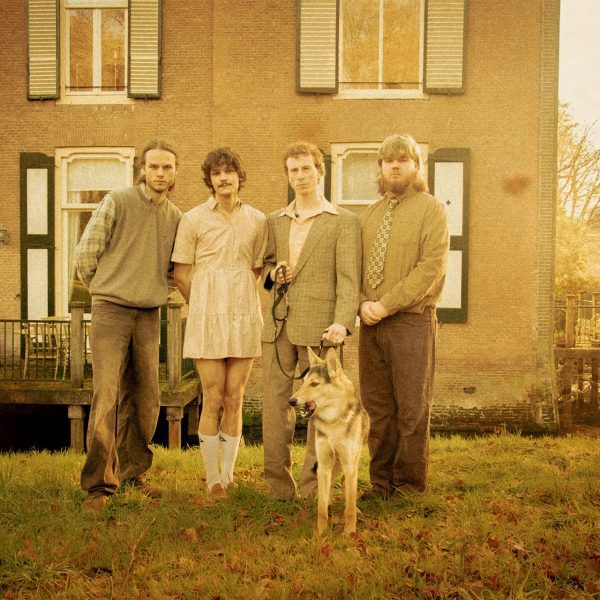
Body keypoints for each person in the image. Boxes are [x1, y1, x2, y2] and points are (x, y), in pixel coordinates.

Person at [76, 139, 182, 511]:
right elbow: (85, 254)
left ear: (175, 173)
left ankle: (133, 472)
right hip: (110, 311)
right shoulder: (117, 201)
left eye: (167, 167)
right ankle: (99, 486)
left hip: (149, 315)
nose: (160, 173)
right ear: (142, 169)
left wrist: (151, 289)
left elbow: (173, 271)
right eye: (154, 166)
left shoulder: (175, 217)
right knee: (106, 395)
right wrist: (107, 288)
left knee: (146, 397)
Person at [261, 141, 361, 500]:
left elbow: (348, 279)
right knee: (275, 408)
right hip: (278, 327)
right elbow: (265, 268)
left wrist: (342, 324)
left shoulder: (344, 221)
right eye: (294, 170)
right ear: (287, 176)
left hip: (321, 330)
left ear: (320, 172)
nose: (300, 176)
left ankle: (313, 487)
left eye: (306, 168)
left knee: (322, 409)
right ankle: (277, 487)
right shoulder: (275, 220)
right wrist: (274, 274)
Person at [358, 133, 449, 499]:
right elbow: (355, 267)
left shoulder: (431, 209)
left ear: (416, 166)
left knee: (412, 408)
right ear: (381, 168)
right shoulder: (369, 215)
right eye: (388, 160)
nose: (394, 166)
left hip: (411, 322)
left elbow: (431, 269)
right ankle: (380, 484)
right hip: (371, 325)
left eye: (402, 160)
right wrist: (362, 304)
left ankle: (408, 485)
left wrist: (385, 304)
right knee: (378, 409)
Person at [172, 148, 266, 497]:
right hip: (206, 315)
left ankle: (228, 474)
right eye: (216, 173)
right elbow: (181, 274)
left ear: (239, 176)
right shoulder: (193, 219)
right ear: (209, 180)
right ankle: (212, 478)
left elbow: (257, 269)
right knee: (212, 397)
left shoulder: (258, 220)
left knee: (235, 396)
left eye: (229, 171)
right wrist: (203, 306)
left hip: (243, 313)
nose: (224, 178)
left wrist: (235, 295)